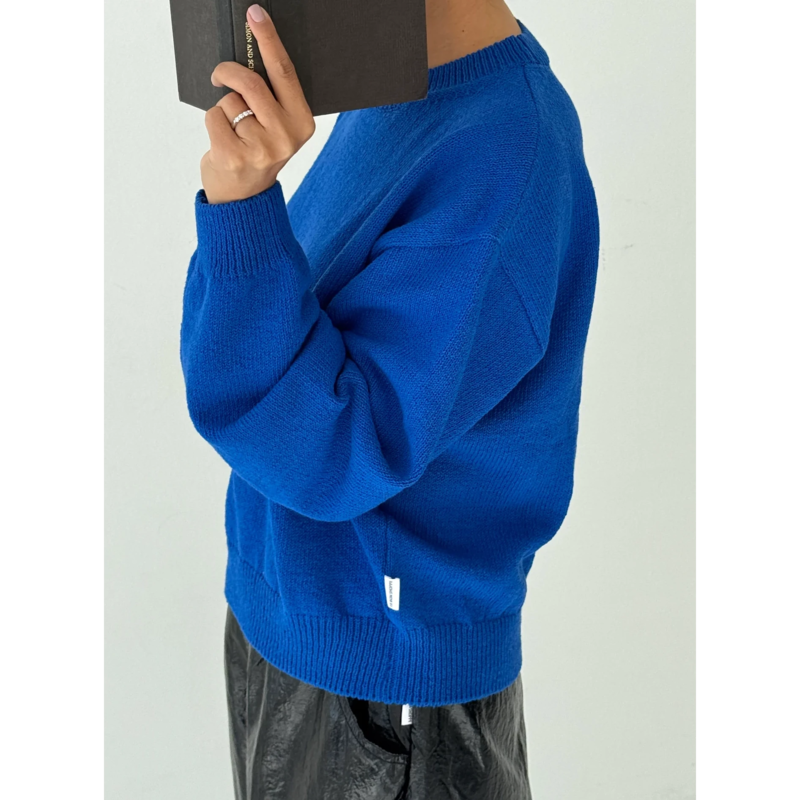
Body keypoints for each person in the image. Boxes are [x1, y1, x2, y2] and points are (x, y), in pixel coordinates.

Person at [181, 1, 599, 797]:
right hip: (300, 631)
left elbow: (333, 453)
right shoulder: (404, 89)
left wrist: (242, 206)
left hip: (381, 691)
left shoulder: (503, 151)